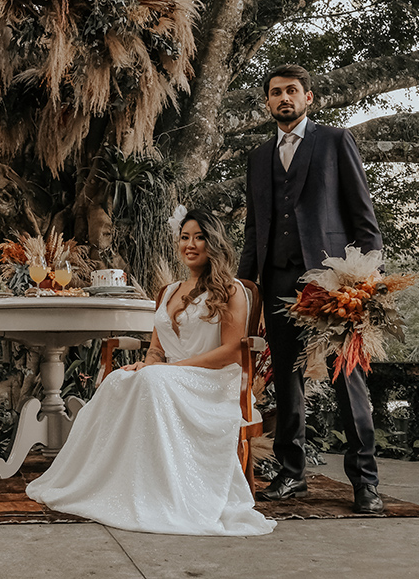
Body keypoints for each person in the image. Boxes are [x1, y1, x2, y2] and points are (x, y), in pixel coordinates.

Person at [26, 208, 276, 536]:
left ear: (213, 243)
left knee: (152, 378)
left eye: (199, 237)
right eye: (185, 237)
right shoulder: (170, 291)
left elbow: (231, 351)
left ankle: (161, 493)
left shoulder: (230, 291)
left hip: (212, 382)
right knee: (119, 379)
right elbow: (157, 348)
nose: (191, 244)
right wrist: (147, 362)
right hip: (170, 377)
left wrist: (167, 369)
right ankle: (109, 481)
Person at [238, 63, 384, 514]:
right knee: (287, 380)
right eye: (276, 92)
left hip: (334, 284)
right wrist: (247, 291)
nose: (284, 98)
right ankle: (292, 473)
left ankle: (365, 482)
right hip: (278, 281)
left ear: (309, 98)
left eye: (292, 91)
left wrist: (366, 282)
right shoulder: (259, 157)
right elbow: (254, 228)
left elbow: (364, 220)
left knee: (347, 380)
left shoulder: (336, 142)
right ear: (267, 101)